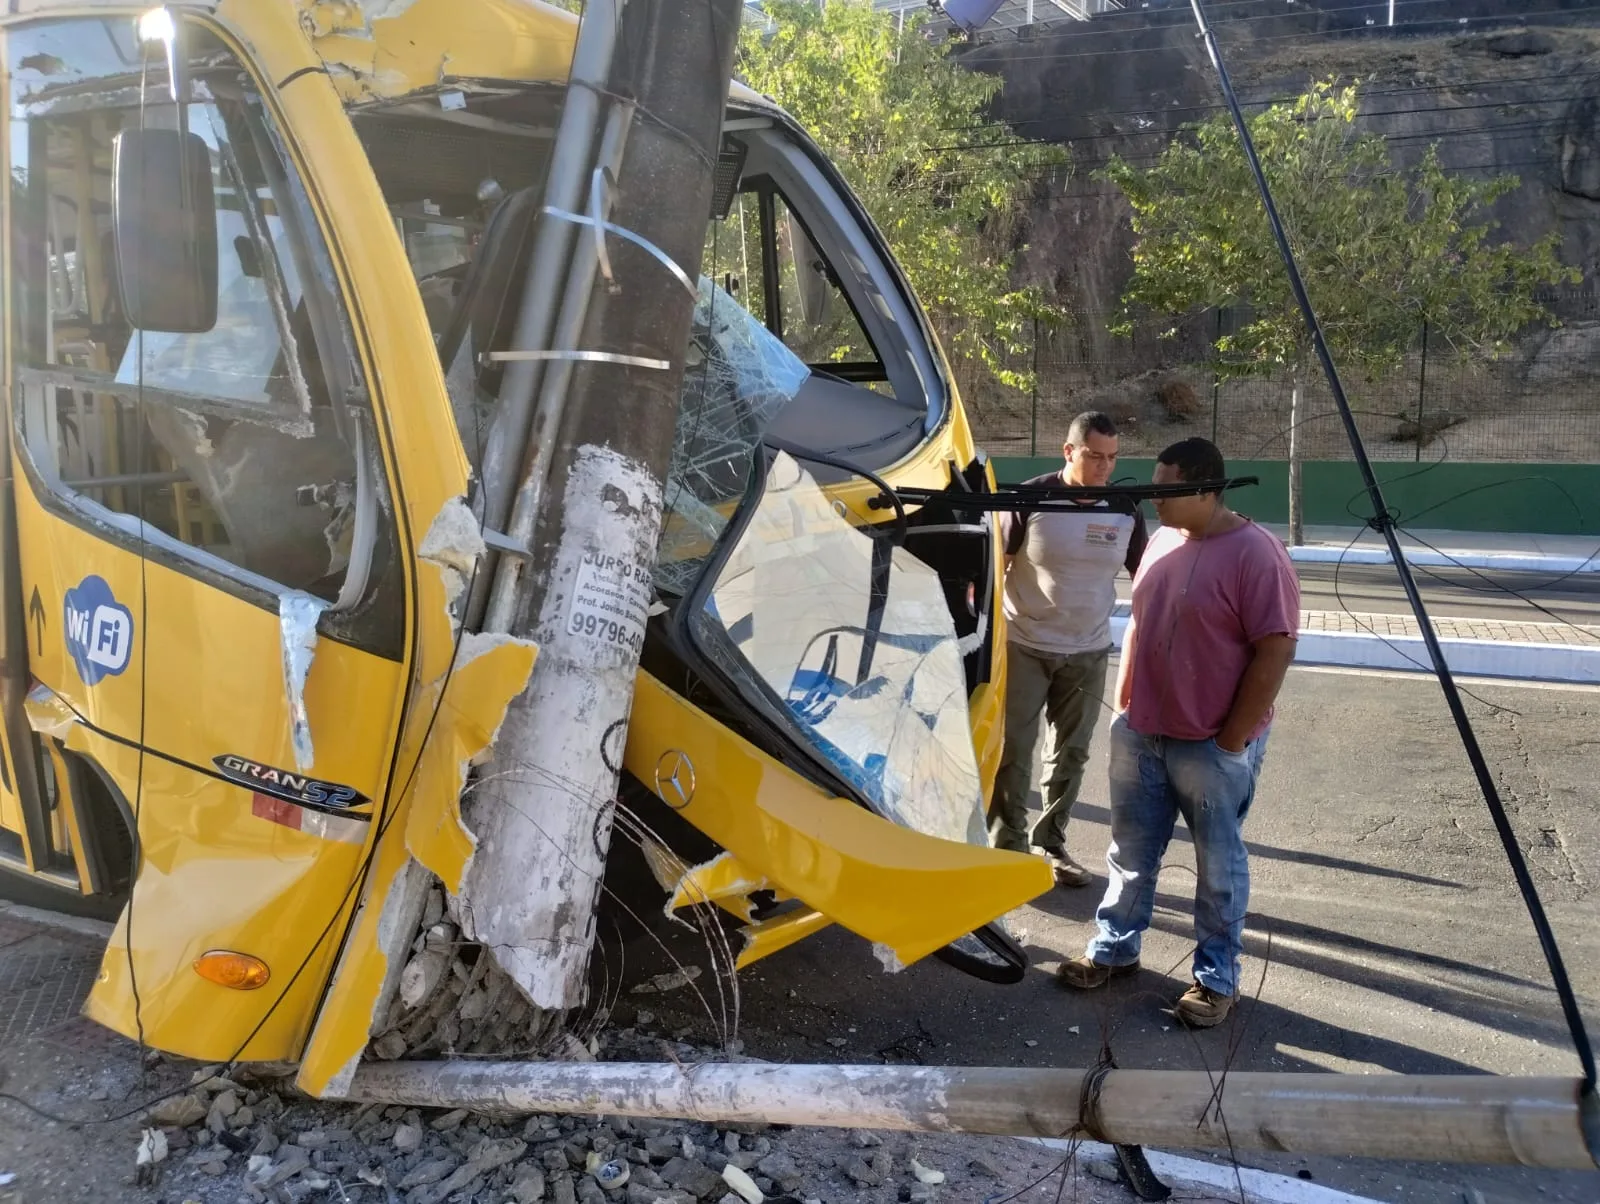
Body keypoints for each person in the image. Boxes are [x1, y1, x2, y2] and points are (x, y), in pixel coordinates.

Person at [1057, 437, 1298, 1029]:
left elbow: (1277, 648)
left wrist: (1232, 740)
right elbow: (1143, 617)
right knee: (1130, 853)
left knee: (1219, 865)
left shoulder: (1257, 554)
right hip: (1142, 731)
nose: (1153, 499)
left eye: (1166, 488)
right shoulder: (1163, 539)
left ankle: (1216, 981)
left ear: (1204, 489)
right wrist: (1124, 702)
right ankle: (1115, 949)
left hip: (1210, 743)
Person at [990, 411, 1147, 887]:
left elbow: (1146, 577)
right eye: (1095, 456)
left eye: (1113, 458)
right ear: (1069, 451)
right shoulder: (1031, 498)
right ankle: (1008, 850)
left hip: (1088, 650)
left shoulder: (1124, 508)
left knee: (1072, 753)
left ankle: (1050, 843)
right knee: (1014, 750)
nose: (1105, 467)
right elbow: (997, 565)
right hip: (1024, 644)